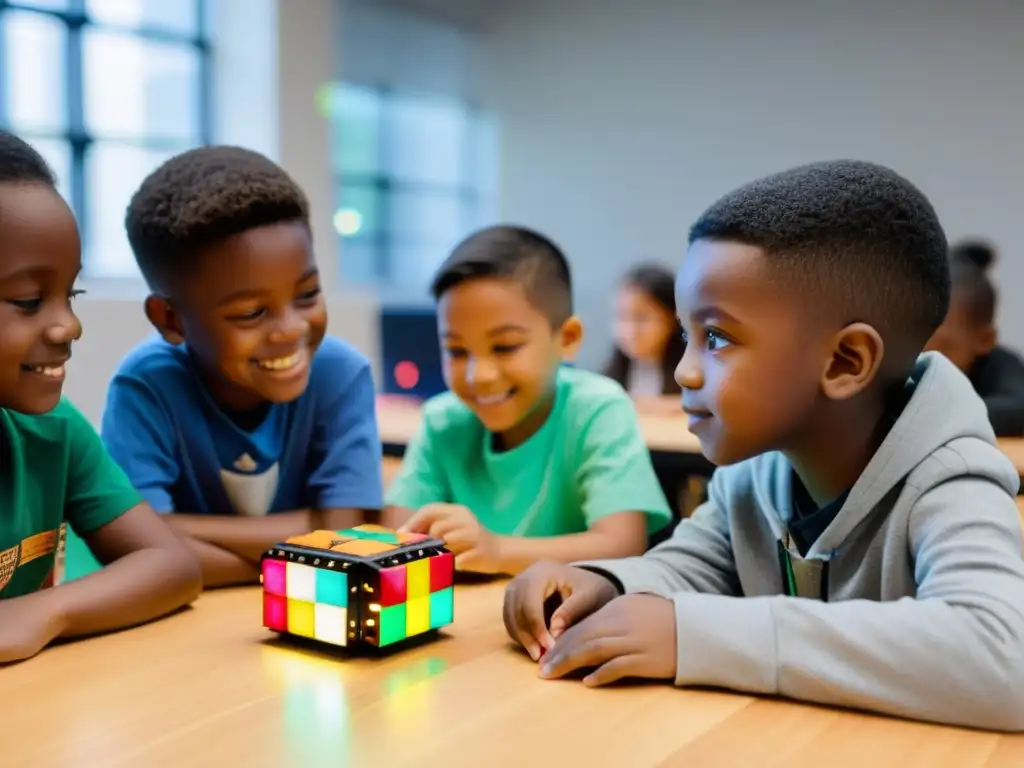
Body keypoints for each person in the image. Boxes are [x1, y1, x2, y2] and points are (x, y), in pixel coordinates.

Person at [502, 160, 1024, 732]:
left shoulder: (950, 481)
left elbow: (1005, 661)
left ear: (846, 362)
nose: (684, 372)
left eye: (717, 338)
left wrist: (695, 635)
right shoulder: (754, 473)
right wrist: (604, 583)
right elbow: (692, 567)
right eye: (686, 337)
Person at [101, 146, 384, 589]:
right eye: (252, 313)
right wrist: (299, 550)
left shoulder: (341, 375)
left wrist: (174, 532)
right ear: (170, 320)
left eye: (307, 294)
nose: (290, 330)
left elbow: (341, 539)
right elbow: (132, 548)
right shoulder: (145, 387)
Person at [0, 130, 201, 663]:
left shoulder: (52, 429)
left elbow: (172, 565)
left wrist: (46, 611)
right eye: (27, 300)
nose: (69, 325)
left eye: (70, 295)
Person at [386, 225, 672, 574]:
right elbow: (397, 539)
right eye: (457, 350)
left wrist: (497, 550)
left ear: (567, 339)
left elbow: (622, 544)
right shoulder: (441, 421)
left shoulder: (597, 409)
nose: (480, 375)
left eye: (505, 347)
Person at [925, 239, 1024, 436]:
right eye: (914, 342)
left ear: (985, 340)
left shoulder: (1001, 365)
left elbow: (1019, 410)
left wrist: (936, 413)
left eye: (944, 346)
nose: (925, 356)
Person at [602, 263, 684, 399]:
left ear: (672, 318)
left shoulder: (694, 379)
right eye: (621, 316)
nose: (630, 330)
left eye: (641, 318)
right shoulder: (606, 382)